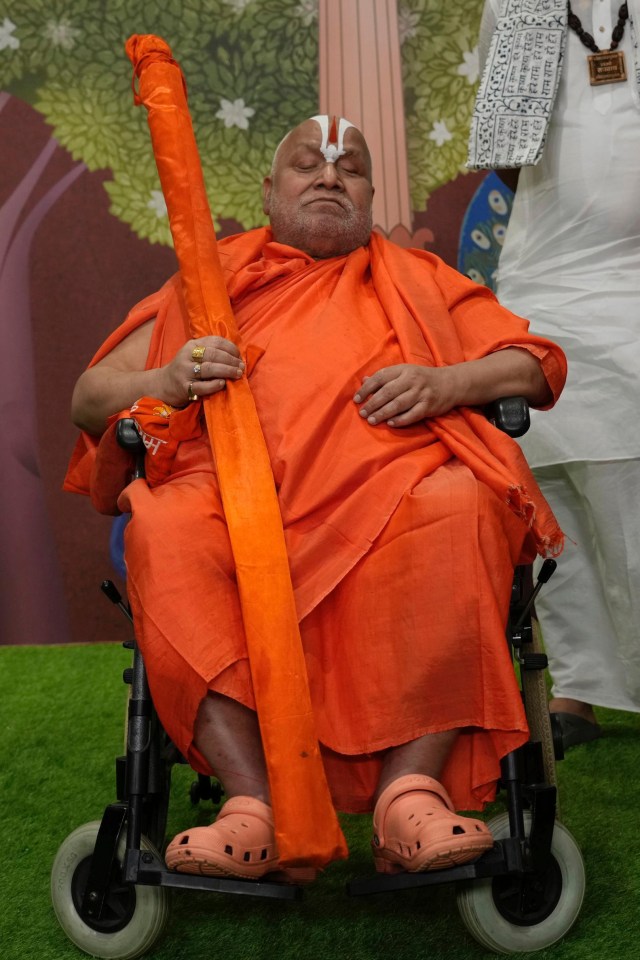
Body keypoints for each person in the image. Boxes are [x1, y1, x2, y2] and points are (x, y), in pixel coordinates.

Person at [66, 115, 566, 880]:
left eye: (350, 168)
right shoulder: (209, 286)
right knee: (162, 527)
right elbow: (89, 396)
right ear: (269, 193)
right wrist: (166, 381)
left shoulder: (417, 277)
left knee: (464, 499)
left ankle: (412, 792)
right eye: (308, 164)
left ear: (369, 194)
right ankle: (252, 806)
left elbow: (532, 365)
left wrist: (445, 383)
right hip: (232, 506)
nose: (330, 176)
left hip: (389, 498)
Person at [469, 0, 640, 749]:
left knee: (625, 478)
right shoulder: (516, 3)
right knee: (554, 474)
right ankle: (578, 686)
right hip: (546, 271)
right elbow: (510, 148)